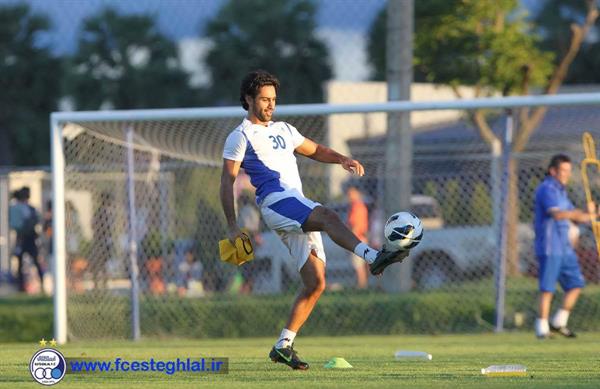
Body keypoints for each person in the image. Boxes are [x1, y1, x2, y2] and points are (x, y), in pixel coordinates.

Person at [220, 70, 409, 370]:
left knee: (316, 283)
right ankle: (373, 257)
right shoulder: (240, 135)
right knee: (329, 216)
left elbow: (315, 150)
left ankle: (283, 345)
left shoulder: (284, 129)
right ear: (248, 99)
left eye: (273, 100)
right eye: (264, 99)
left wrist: (341, 159)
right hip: (275, 201)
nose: (270, 105)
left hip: (295, 203)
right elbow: (227, 181)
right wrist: (232, 225)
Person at [533, 154, 595, 339]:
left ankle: (559, 322)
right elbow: (559, 215)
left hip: (565, 247)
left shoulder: (562, 192)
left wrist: (591, 212)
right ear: (553, 171)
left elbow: (577, 217)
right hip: (550, 246)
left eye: (569, 171)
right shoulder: (547, 189)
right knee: (547, 287)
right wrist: (578, 213)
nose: (567, 174)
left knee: (576, 284)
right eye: (563, 171)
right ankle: (542, 328)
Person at [9, 187, 45, 292]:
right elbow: (15, 224)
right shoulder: (16, 208)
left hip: (29, 238)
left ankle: (41, 284)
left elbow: (36, 220)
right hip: (22, 238)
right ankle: (21, 287)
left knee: (34, 261)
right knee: (21, 262)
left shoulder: (30, 208)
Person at [346, 186, 369, 289]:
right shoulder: (360, 206)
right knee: (362, 264)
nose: (349, 196)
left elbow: (355, 225)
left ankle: (361, 285)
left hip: (358, 238)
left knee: (358, 265)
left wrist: (351, 240)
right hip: (362, 237)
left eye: (351, 194)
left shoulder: (356, 207)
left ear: (357, 194)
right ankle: (363, 284)